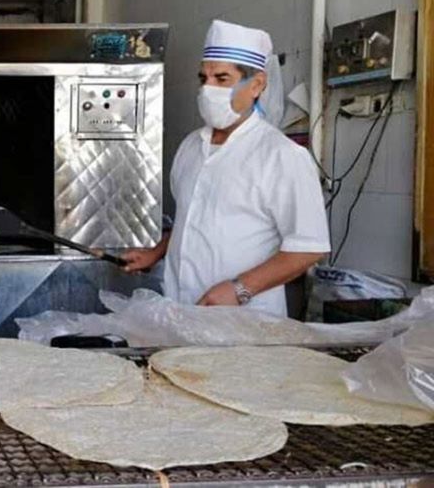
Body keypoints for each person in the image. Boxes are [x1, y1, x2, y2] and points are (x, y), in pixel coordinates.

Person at [123, 20, 330, 317]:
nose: (209, 89)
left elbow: (309, 248)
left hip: (245, 321)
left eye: (222, 79)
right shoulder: (190, 147)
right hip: (181, 312)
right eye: (203, 79)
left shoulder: (282, 155)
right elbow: (191, 220)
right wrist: (156, 253)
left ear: (256, 85)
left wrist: (240, 289)